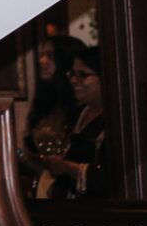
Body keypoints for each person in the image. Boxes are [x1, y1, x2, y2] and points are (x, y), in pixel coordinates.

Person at [29, 43, 110, 199]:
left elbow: (108, 177)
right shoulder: (78, 114)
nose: (73, 80)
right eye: (72, 74)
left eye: (82, 75)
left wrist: (66, 167)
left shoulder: (114, 121)